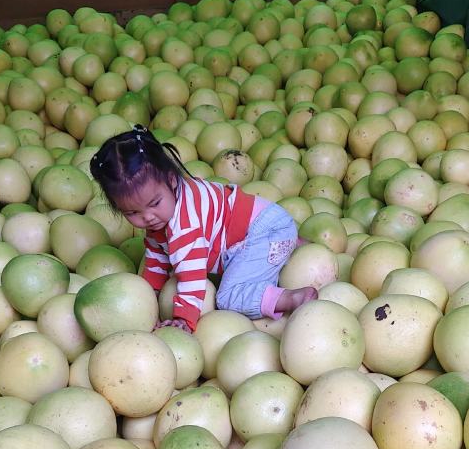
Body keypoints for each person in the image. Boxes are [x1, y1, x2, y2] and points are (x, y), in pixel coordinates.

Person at [89, 126, 316, 332]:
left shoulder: (183, 225)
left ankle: (292, 297)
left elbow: (192, 275)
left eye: (154, 203)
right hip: (260, 225)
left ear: (172, 180)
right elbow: (157, 258)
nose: (147, 217)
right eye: (132, 213)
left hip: (261, 231)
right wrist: (148, 299)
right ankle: (286, 242)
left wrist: (184, 319)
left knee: (228, 298)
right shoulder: (163, 211)